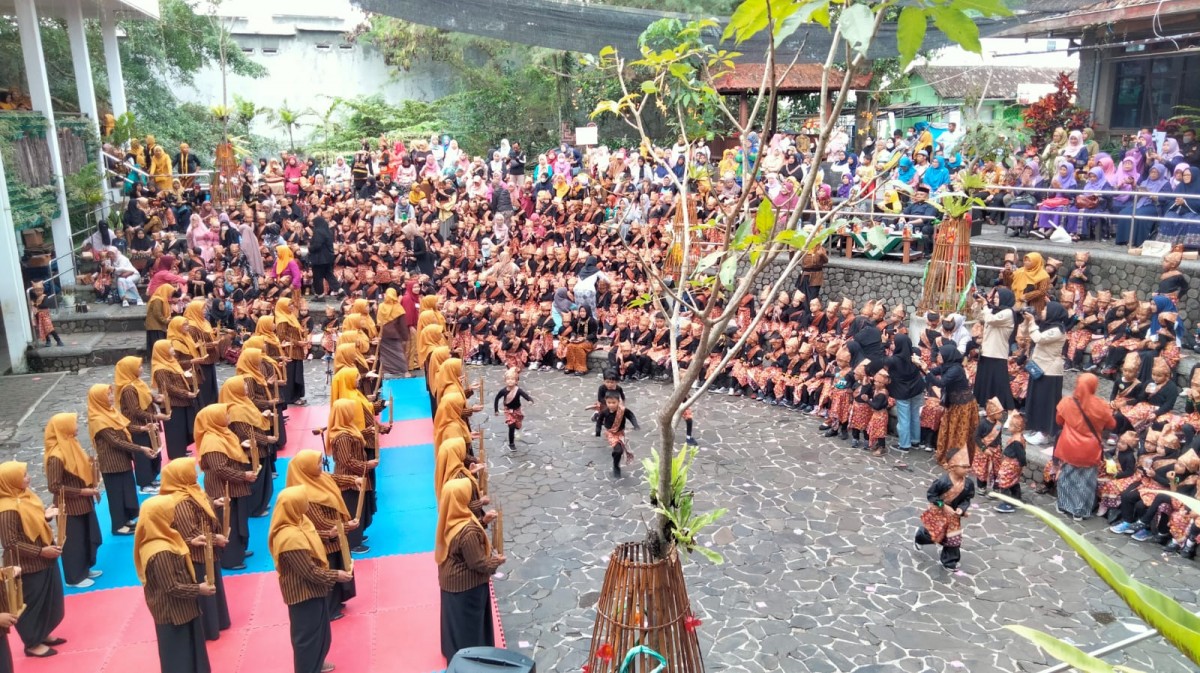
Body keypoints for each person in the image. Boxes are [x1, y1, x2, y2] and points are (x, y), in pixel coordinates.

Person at [269, 486, 350, 673]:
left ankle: (317, 661)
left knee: (320, 631)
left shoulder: (300, 521)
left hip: (315, 588)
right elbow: (309, 571)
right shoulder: (289, 538)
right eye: (303, 500)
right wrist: (336, 575)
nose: (307, 502)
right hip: (302, 593)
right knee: (306, 636)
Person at [134, 495, 214, 673]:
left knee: (187, 652)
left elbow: (174, 547)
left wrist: (190, 541)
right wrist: (199, 589)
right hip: (173, 613)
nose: (174, 515)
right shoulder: (160, 551)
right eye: (170, 512)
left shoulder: (159, 537)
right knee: (180, 658)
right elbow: (171, 587)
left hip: (180, 610)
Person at [159, 457, 230, 642]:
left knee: (214, 586)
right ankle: (209, 628)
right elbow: (191, 534)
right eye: (192, 470)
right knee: (205, 588)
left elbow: (201, 502)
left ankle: (219, 621)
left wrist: (215, 502)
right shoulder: (180, 501)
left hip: (208, 551)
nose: (196, 473)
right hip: (197, 555)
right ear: (182, 476)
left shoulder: (190, 488)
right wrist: (216, 539)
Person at [0, 461, 65, 658]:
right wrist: (40, 552)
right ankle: (32, 642)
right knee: (32, 604)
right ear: (10, 481)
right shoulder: (7, 509)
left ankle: (43, 632)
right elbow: (10, 542)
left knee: (49, 598)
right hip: (26, 564)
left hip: (44, 557)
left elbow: (31, 521)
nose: (28, 478)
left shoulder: (25, 496)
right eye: (23, 475)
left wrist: (45, 517)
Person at [285, 450, 358, 620]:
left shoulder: (319, 478)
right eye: (317, 464)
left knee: (341, 566)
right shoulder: (306, 496)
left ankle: (339, 600)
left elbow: (334, 478)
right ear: (306, 468)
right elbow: (321, 523)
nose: (320, 466)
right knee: (330, 571)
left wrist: (353, 479)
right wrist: (347, 526)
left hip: (337, 536)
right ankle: (330, 609)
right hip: (324, 542)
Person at [437, 478, 503, 661]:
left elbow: (461, 545)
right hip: (466, 585)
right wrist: (496, 562)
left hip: (449, 580)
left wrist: (483, 521)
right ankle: (473, 656)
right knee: (470, 625)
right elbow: (478, 563)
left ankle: (454, 651)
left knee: (455, 623)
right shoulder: (468, 530)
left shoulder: (449, 518)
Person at [42, 414, 102, 589]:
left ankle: (84, 568)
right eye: (73, 424)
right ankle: (74, 577)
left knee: (85, 536)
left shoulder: (72, 445)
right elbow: (54, 486)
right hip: (69, 505)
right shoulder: (56, 455)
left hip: (84, 502)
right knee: (73, 542)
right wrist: (82, 491)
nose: (77, 426)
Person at [196, 404, 256, 570]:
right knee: (227, 522)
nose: (229, 418)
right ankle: (229, 559)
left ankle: (238, 550)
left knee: (237, 520)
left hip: (233, 486)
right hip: (222, 488)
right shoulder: (212, 441)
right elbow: (219, 468)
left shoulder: (224, 433)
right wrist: (244, 476)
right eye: (225, 415)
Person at [1053, 373, 1115, 521]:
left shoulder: (1067, 402)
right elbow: (1111, 424)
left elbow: (1059, 421)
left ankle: (1063, 505)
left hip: (1068, 447)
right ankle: (1079, 511)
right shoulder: (1101, 405)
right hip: (1090, 450)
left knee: (1066, 476)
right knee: (1086, 482)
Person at [88, 383, 144, 536]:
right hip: (112, 463)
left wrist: (142, 429)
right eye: (107, 395)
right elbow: (115, 441)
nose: (111, 397)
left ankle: (127, 519)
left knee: (127, 489)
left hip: (123, 459)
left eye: (111, 394)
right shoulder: (98, 419)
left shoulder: (111, 412)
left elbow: (125, 427)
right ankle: (118, 525)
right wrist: (140, 449)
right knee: (116, 494)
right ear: (99, 398)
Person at [913, 447, 975, 570]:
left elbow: (966, 499)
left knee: (954, 538)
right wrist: (943, 505)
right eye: (964, 466)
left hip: (953, 516)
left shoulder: (968, 484)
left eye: (968, 466)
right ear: (952, 466)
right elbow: (931, 495)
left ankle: (949, 561)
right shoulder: (942, 482)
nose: (968, 469)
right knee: (933, 534)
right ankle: (920, 535)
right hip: (938, 512)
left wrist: (962, 509)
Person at [328, 399, 377, 554]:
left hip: (357, 475)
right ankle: (351, 542)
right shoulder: (342, 436)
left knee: (359, 507)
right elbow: (346, 460)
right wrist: (366, 466)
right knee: (352, 509)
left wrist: (366, 433)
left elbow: (354, 441)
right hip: (349, 478)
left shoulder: (348, 429)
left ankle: (358, 534)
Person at [917, 344, 978, 467]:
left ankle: (957, 461)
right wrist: (919, 364)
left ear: (947, 355)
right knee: (948, 430)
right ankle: (947, 456)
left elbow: (940, 383)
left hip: (963, 406)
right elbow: (932, 372)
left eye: (940, 354)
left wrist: (926, 370)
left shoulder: (956, 369)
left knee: (959, 432)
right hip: (953, 404)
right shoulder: (946, 366)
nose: (938, 356)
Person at [115, 355, 166, 494]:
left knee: (154, 449)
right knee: (143, 455)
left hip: (148, 424)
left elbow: (147, 397)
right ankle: (145, 484)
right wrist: (155, 416)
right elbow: (135, 411)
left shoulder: (138, 383)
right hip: (138, 426)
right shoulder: (129, 389)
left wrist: (156, 399)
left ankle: (152, 477)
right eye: (138, 367)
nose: (142, 369)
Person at [1023, 302, 1070, 445]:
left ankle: (1045, 433)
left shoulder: (1058, 330)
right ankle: (1037, 428)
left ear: (1053, 313)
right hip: (1039, 367)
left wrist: (1032, 322)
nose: (1042, 311)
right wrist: (1030, 321)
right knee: (1037, 400)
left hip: (1050, 372)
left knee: (1046, 403)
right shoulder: (1047, 326)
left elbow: (1039, 338)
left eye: (1045, 309)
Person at [151, 340, 200, 460]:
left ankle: (182, 449)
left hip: (181, 401)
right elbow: (168, 387)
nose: (173, 349)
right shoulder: (160, 369)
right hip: (172, 403)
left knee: (182, 427)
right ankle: (176, 453)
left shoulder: (172, 362)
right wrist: (186, 393)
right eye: (170, 348)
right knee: (175, 429)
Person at [973, 288, 1016, 409]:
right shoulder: (994, 310)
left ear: (1005, 298)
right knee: (986, 382)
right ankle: (988, 407)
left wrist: (986, 304)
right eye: (995, 297)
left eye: (997, 297)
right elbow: (979, 316)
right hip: (987, 350)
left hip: (997, 352)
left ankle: (1009, 409)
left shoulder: (1008, 312)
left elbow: (990, 320)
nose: (995, 300)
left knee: (999, 384)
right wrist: (980, 304)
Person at [884, 335, 924, 453]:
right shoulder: (914, 356)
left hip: (902, 392)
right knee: (915, 416)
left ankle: (904, 445)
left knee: (904, 418)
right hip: (917, 389)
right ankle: (915, 441)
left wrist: (882, 344)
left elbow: (880, 360)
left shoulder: (894, 359)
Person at [597, 390, 640, 477]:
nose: (611, 405)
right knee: (618, 450)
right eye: (609, 402)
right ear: (606, 401)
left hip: (620, 433)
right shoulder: (604, 412)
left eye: (614, 402)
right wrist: (598, 431)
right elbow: (599, 421)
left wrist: (635, 425)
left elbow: (631, 416)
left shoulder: (623, 410)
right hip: (611, 433)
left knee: (619, 451)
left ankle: (615, 456)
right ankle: (616, 466)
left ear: (618, 401)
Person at [494, 370, 533, 452]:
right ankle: (511, 444)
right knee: (511, 426)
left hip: (517, 410)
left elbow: (525, 395)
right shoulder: (503, 391)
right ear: (505, 381)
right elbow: (497, 398)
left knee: (517, 424)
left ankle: (515, 425)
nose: (510, 381)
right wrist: (496, 410)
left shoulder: (518, 390)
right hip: (508, 411)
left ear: (516, 381)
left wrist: (529, 400)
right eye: (508, 379)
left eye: (512, 379)